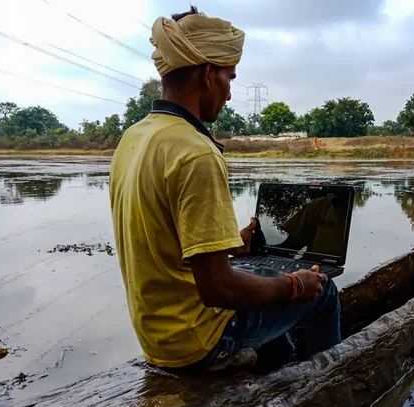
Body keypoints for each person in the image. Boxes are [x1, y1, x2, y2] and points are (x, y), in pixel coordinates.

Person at [109, 7, 341, 373]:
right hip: (198, 341)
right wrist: (294, 284)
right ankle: (327, 384)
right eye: (229, 78)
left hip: (157, 335)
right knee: (323, 290)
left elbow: (166, 239)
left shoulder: (135, 137)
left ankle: (278, 366)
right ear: (207, 74)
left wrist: (232, 243)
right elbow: (218, 288)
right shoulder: (194, 152)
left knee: (266, 285)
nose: (230, 94)